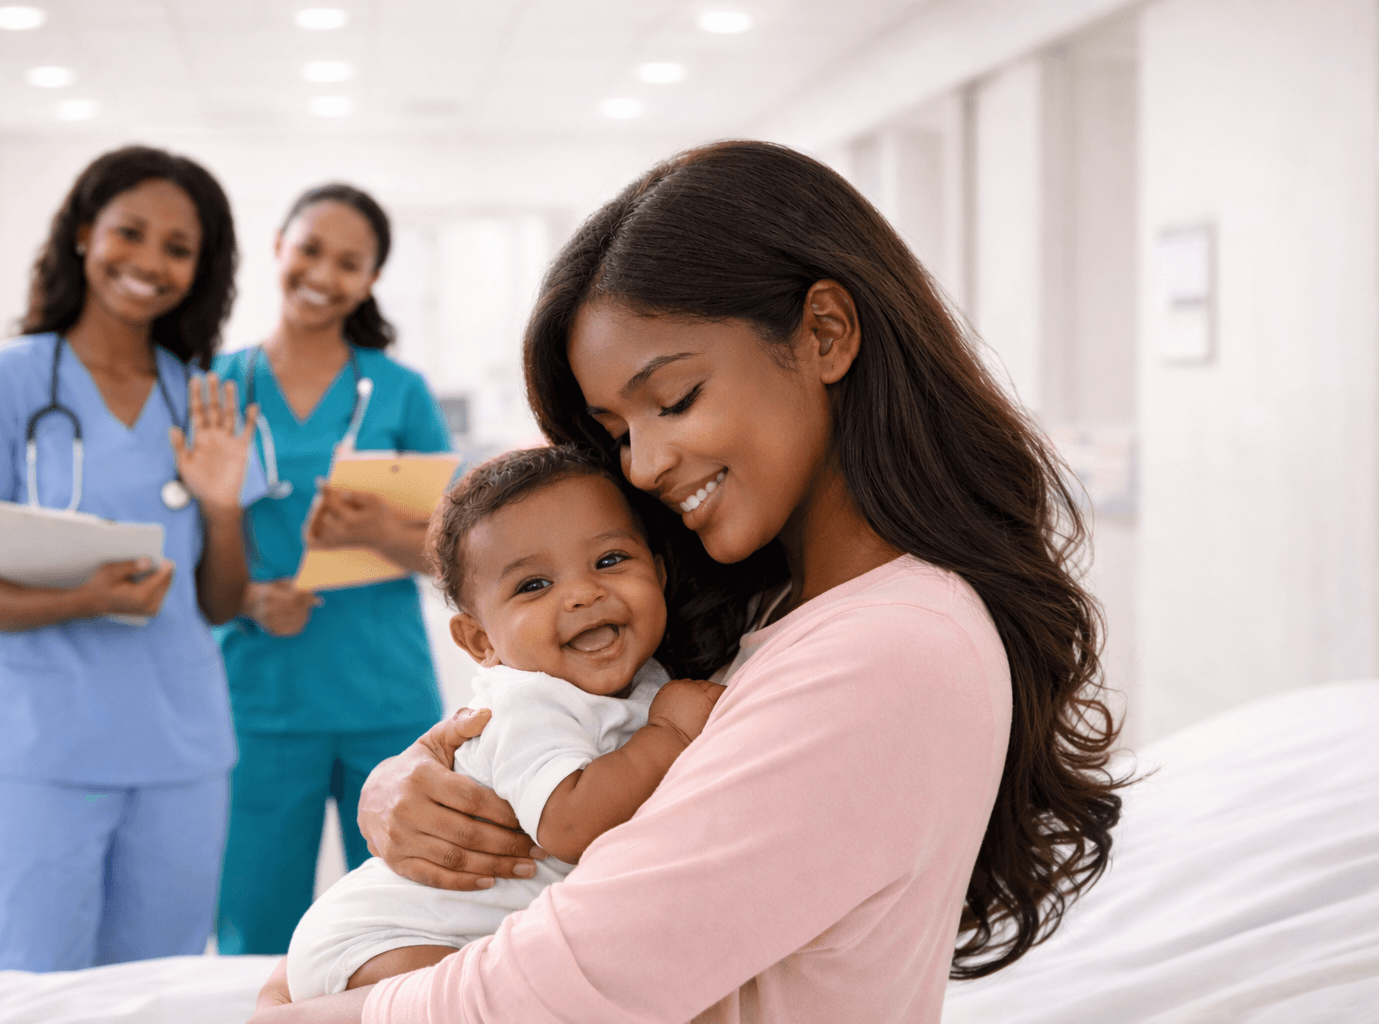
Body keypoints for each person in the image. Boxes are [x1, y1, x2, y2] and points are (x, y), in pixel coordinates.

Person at [251, 140, 1124, 1023]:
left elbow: (560, 990)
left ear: (825, 333)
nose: (642, 465)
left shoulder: (890, 649)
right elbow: (555, 739)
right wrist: (414, 780)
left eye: (674, 401)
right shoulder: (770, 608)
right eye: (617, 432)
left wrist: (289, 1014)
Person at [0, 145, 262, 972]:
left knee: (155, 990)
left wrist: (221, 507)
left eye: (178, 247)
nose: (149, 261)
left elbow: (219, 602)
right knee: (28, 990)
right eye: (129, 233)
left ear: (201, 269)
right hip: (40, 749)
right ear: (81, 235)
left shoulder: (201, 398)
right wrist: (85, 598)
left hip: (180, 750)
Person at [286, 446, 725, 998]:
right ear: (480, 641)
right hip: (384, 936)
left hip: (462, 936)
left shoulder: (649, 679)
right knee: (477, 996)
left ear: (658, 574)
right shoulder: (528, 704)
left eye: (610, 560)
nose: (583, 594)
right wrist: (671, 735)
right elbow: (571, 825)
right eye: (533, 585)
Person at [213, 184, 452, 957]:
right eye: (310, 249)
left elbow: (457, 553)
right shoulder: (216, 387)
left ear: (371, 278)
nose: (323, 273)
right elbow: (184, 542)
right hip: (260, 697)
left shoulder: (400, 391)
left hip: (383, 694)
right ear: (278, 246)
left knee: (399, 918)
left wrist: (381, 530)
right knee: (253, 922)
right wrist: (249, 597)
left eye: (349, 263)